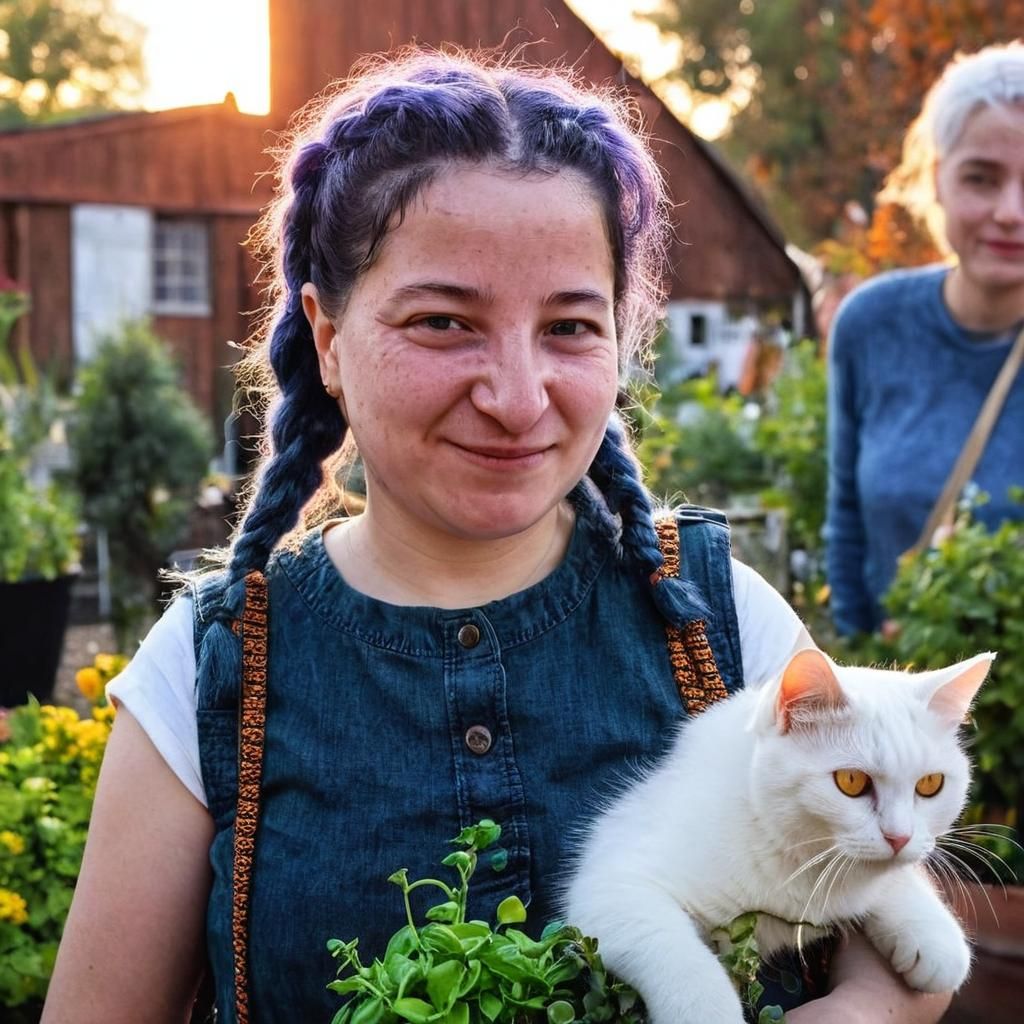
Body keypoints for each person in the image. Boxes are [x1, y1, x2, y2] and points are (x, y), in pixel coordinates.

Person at [44, 49, 952, 1024]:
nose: (517, 399)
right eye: (443, 321)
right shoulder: (210, 668)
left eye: (568, 327)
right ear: (328, 337)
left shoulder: (721, 625)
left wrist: (865, 1012)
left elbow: (895, 933)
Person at [826, 41, 1024, 636]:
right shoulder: (872, 325)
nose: (1011, 211)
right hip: (906, 701)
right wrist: (857, 664)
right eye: (981, 178)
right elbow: (847, 522)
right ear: (938, 179)